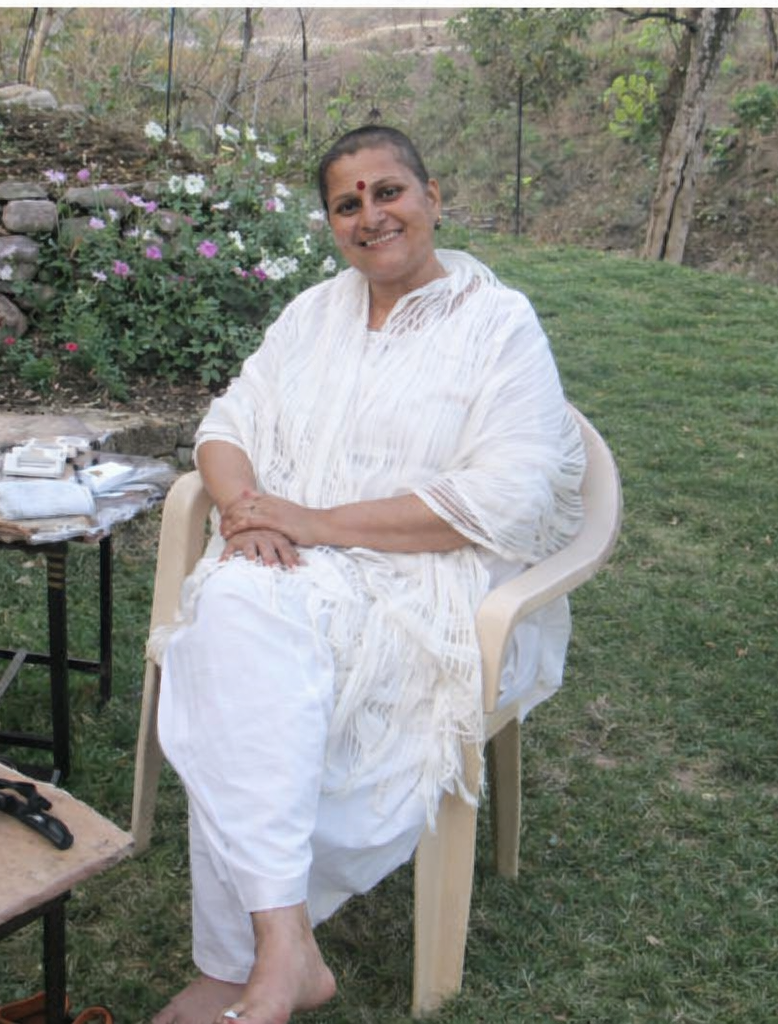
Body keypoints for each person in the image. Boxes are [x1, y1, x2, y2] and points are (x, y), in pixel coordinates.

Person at [149, 125, 586, 1024]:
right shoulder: (313, 314)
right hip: (286, 559)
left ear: (432, 197)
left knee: (234, 631)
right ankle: (280, 950)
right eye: (347, 204)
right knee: (235, 608)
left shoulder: (498, 322)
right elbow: (227, 425)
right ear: (331, 224)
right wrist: (245, 513)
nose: (370, 215)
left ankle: (241, 961)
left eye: (388, 192)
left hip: (427, 581)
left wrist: (312, 522)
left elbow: (505, 497)